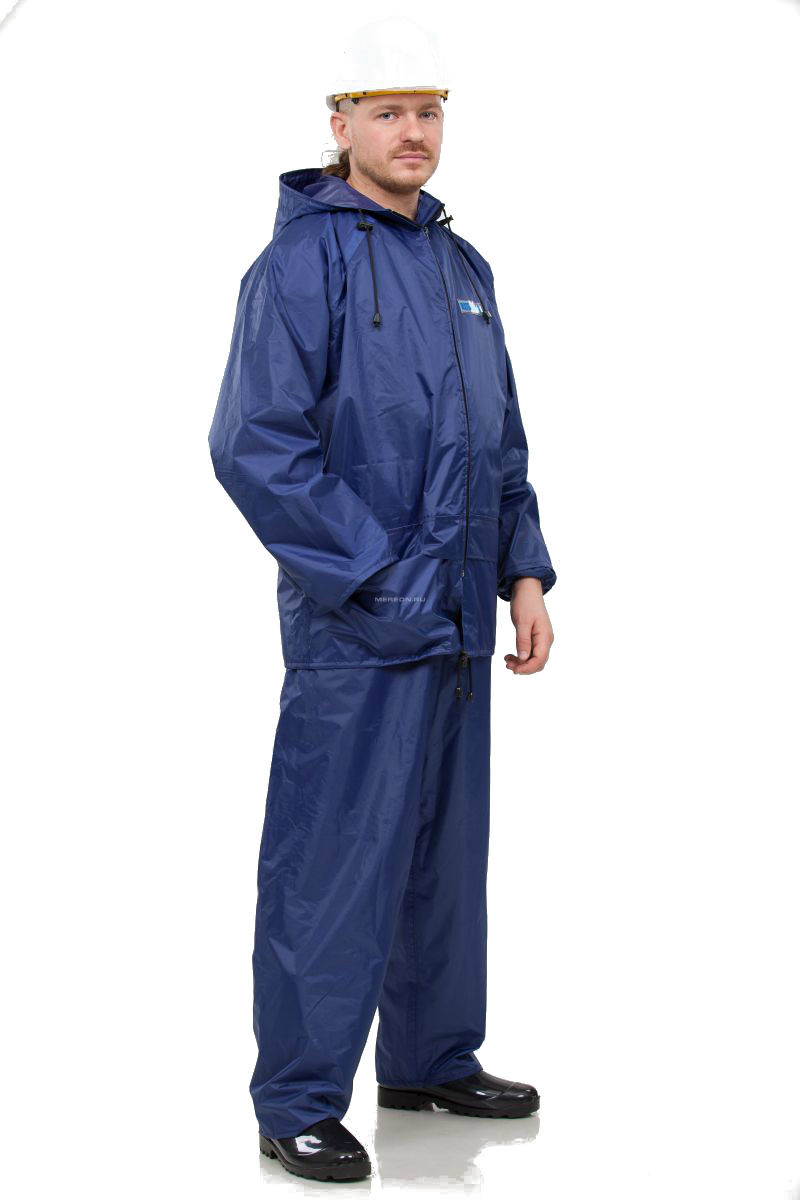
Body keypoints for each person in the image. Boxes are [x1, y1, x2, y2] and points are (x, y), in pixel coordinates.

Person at [208, 16, 557, 1184]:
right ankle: (297, 1100)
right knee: (332, 863)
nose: (413, 132)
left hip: (459, 620)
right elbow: (256, 446)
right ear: (339, 124)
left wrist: (522, 572)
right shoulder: (300, 264)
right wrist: (375, 578)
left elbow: (499, 442)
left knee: (443, 860)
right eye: (388, 112)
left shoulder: (463, 270)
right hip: (358, 629)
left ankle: (429, 1059)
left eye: (428, 111)